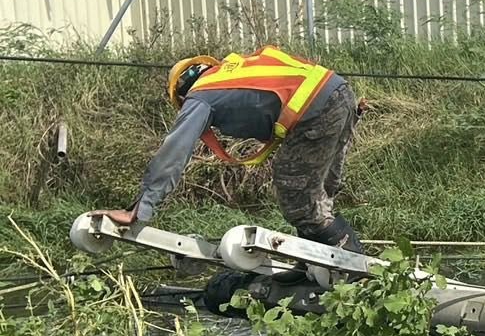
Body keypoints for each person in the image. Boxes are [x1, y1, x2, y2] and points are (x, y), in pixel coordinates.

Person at [95, 46, 365, 253]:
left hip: (314, 108)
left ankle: (346, 262)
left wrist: (140, 209)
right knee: (318, 194)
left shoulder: (200, 95)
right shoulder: (238, 69)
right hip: (339, 91)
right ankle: (322, 260)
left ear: (180, 91)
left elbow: (173, 152)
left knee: (293, 189)